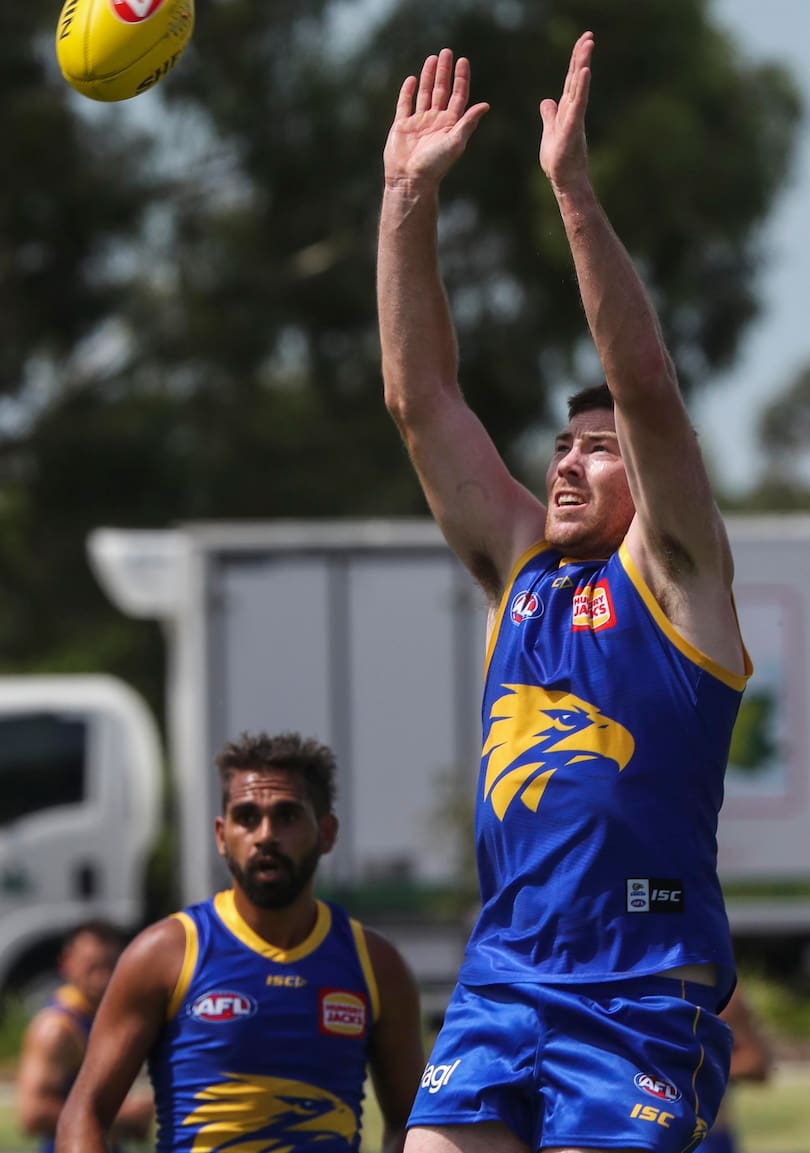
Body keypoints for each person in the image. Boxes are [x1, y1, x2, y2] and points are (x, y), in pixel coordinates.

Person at [377, 31, 751, 1153]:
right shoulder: (523, 569)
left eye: (598, 448)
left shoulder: (681, 577)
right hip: (504, 982)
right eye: (561, 443)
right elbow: (420, 395)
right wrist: (403, 198)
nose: (566, 462)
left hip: (639, 996)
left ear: (654, 473)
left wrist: (574, 193)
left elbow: (644, 382)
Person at [54, 730, 425, 1153]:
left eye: (286, 816)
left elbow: (412, 1125)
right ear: (221, 835)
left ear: (326, 832)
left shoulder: (375, 965)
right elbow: (83, 1114)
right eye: (247, 816)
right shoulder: (165, 954)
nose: (265, 835)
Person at [16, 920, 153, 1153]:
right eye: (92, 966)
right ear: (66, 963)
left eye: (110, 965)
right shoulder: (58, 1029)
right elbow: (34, 1114)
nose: (103, 976)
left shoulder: (106, 1016)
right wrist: (124, 1118)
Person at [700, 984, 772, 1153]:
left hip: (704, 1137)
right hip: (635, 1132)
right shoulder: (631, 980)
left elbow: (755, 1063)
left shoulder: (718, 989)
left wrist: (685, 1065)